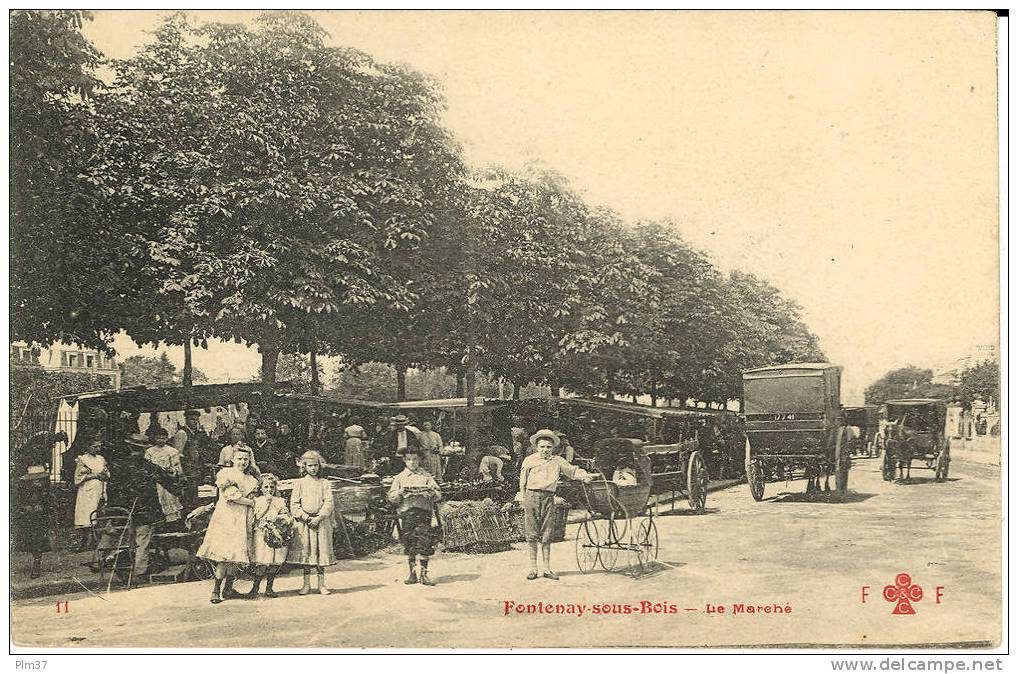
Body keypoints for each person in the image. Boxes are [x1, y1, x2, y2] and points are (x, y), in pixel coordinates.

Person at [518, 429, 593, 580]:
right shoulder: (529, 460)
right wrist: (522, 498)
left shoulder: (558, 461)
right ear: (536, 447)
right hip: (531, 496)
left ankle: (547, 569)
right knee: (532, 533)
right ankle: (533, 569)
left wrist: (584, 476)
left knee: (547, 533)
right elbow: (523, 481)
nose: (545, 450)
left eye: (548, 447)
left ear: (553, 448)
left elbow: (572, 471)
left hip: (548, 497)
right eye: (542, 447)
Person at [101, 433, 178, 581]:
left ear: (130, 447)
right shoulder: (150, 467)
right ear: (145, 450)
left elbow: (111, 487)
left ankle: (105, 561)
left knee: (120, 536)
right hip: (145, 512)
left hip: (122, 511)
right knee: (142, 541)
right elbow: (171, 483)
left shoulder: (118, 465)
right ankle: (139, 572)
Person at [197, 446, 259, 604]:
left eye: (246, 459)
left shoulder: (250, 479)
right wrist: (251, 502)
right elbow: (231, 495)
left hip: (242, 517)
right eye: (239, 459)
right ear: (232, 459)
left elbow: (252, 494)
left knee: (236, 554)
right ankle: (216, 589)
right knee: (224, 554)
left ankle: (228, 588)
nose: (242, 462)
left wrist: (252, 504)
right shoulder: (226, 474)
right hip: (226, 517)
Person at [387, 447, 442, 586]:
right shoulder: (399, 478)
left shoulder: (426, 476)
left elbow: (438, 494)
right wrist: (400, 493)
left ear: (420, 460)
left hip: (423, 512)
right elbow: (392, 497)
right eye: (409, 459)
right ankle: (412, 573)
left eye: (415, 459)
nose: (412, 462)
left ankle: (424, 574)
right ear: (404, 460)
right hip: (407, 513)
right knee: (409, 541)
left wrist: (430, 493)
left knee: (425, 541)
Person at [288, 450, 335, 595]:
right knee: (307, 555)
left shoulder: (324, 483)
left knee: (321, 553)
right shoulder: (300, 483)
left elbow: (329, 502)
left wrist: (319, 517)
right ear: (304, 467)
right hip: (305, 523)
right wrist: (306, 518)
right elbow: (294, 504)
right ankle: (306, 584)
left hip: (320, 523)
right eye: (310, 466)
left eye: (315, 465)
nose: (313, 468)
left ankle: (321, 584)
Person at [247, 474, 291, 598]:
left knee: (274, 561)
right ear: (261, 488)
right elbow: (256, 517)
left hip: (276, 533)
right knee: (262, 561)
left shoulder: (280, 501)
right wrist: (266, 504)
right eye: (265, 487)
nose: (269, 489)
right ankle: (255, 588)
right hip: (262, 534)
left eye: (271, 487)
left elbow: (285, 515)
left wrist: (281, 519)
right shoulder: (257, 500)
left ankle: (269, 588)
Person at [73, 432, 109, 551]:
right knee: (86, 513)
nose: (98, 449)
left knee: (98, 512)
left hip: (99, 488)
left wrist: (104, 475)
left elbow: (106, 472)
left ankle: (96, 541)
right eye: (95, 447)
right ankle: (85, 541)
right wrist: (94, 475)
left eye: (99, 446)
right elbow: (78, 478)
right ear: (88, 447)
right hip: (87, 489)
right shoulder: (82, 459)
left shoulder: (101, 459)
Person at [15, 465, 52, 578]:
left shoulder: (45, 490)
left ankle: (37, 564)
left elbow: (49, 503)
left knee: (38, 540)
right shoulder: (24, 490)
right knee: (29, 540)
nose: (37, 482)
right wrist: (26, 507)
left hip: (40, 518)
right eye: (34, 479)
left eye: (39, 479)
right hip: (27, 517)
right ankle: (35, 558)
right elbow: (20, 502)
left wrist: (42, 507)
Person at [172, 409, 213, 510]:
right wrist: (181, 473)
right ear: (186, 420)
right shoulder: (182, 433)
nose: (195, 422)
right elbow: (177, 454)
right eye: (192, 419)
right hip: (187, 470)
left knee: (194, 494)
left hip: (195, 469)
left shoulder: (196, 433)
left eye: (196, 420)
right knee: (187, 496)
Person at [145, 427, 184, 525]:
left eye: (163, 438)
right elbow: (146, 465)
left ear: (167, 438)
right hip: (154, 479)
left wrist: (172, 470)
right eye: (158, 438)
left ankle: (171, 522)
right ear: (154, 438)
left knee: (168, 497)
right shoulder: (149, 451)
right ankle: (158, 520)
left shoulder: (172, 451)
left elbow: (177, 466)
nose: (161, 440)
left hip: (167, 479)